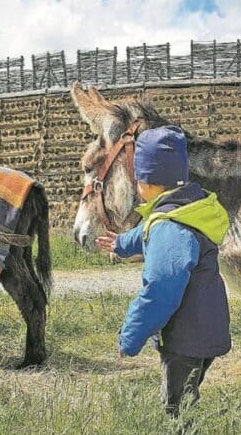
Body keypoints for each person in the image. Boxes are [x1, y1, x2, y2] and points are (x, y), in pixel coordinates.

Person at [96, 125, 232, 416]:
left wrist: (130, 338)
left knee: (177, 405)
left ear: (149, 182)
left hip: (186, 336)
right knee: (187, 391)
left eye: (138, 178)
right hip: (204, 326)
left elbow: (160, 289)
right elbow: (149, 229)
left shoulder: (170, 228)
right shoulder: (186, 207)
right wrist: (121, 243)